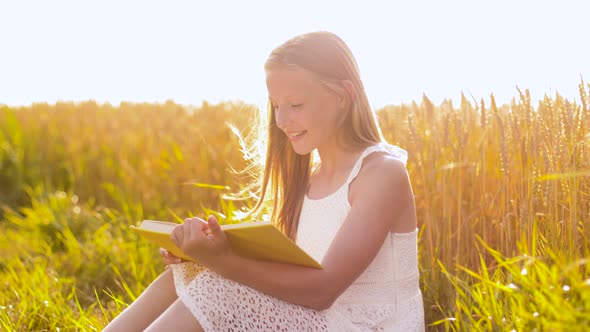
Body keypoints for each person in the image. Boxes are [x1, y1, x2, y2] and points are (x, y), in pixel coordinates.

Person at [103, 31, 425, 331]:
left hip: (366, 326)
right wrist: (204, 254)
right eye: (276, 107)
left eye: (296, 105)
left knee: (218, 288)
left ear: (343, 95)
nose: (282, 121)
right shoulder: (310, 178)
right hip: (321, 319)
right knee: (188, 274)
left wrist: (223, 261)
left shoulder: (381, 174)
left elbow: (322, 291)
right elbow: (292, 274)